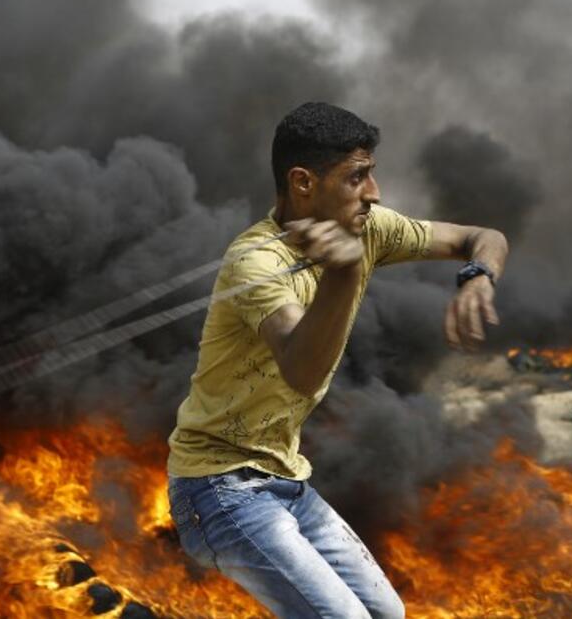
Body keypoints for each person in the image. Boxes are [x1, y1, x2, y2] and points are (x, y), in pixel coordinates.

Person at [165, 102, 508, 618]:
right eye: (357, 177)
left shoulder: (369, 230)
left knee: (388, 613)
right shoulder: (255, 261)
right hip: (219, 490)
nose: (375, 192)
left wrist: (478, 274)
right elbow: (301, 371)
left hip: (287, 482)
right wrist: (344, 273)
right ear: (303, 182)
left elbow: (482, 237)